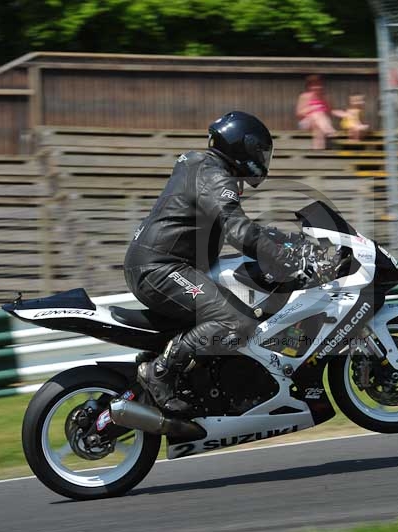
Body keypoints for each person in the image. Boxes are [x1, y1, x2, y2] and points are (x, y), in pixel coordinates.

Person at [123, 111, 314, 414]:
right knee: (236, 321)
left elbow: (239, 226)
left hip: (168, 264)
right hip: (162, 268)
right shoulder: (213, 175)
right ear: (243, 146)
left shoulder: (206, 168)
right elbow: (238, 230)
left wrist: (286, 242)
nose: (263, 159)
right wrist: (282, 256)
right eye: (260, 152)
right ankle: (159, 373)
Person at [296, 74, 336, 150]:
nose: (317, 87)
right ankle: (329, 131)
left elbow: (330, 111)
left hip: (322, 122)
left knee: (318, 126)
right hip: (306, 122)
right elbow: (299, 114)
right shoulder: (304, 96)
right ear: (309, 86)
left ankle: (318, 150)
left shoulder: (325, 97)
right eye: (314, 85)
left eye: (319, 84)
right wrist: (312, 109)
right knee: (316, 114)